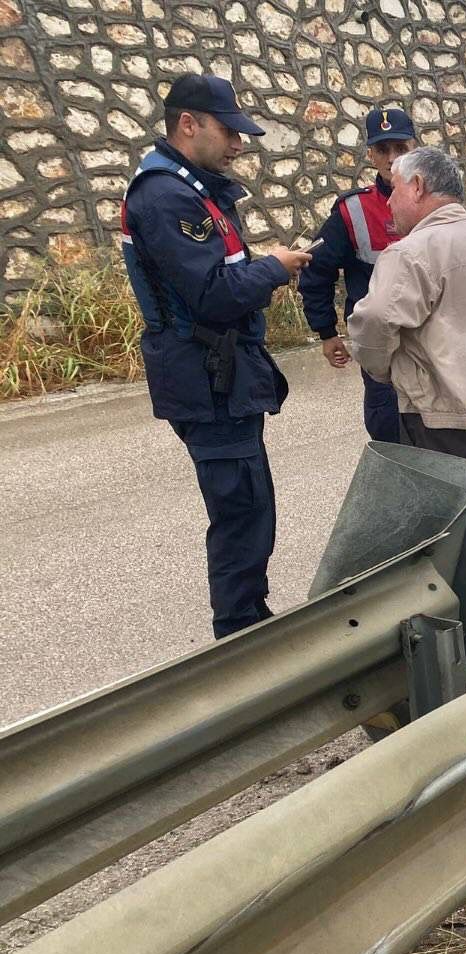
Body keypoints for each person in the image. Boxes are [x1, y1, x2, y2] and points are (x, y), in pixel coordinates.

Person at [120, 73, 312, 638]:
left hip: (219, 375)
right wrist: (273, 268)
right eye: (228, 131)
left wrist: (264, 267)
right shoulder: (166, 196)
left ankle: (248, 621)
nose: (238, 144)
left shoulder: (192, 189)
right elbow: (212, 296)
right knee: (240, 513)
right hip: (207, 380)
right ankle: (238, 635)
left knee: (249, 507)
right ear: (188, 124)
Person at [347, 147, 466, 464]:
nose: (388, 202)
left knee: (442, 497)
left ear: (417, 186)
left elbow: (374, 323)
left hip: (439, 420)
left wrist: (383, 371)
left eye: (394, 189)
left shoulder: (410, 253)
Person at [298, 108, 417, 442]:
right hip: (381, 350)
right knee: (390, 436)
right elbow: (316, 270)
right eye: (383, 149)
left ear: (415, 148)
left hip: (435, 344)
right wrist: (326, 332)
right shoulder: (352, 210)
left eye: (400, 148)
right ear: (370, 155)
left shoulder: (436, 200)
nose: (392, 158)